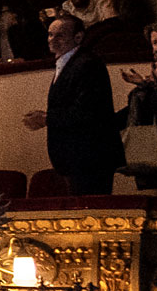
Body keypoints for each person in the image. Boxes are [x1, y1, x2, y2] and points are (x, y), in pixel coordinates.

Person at [25, 13, 122, 195]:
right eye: (50, 34)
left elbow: (88, 111)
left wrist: (46, 118)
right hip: (76, 157)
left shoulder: (87, 64)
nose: (52, 40)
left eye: (59, 35)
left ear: (78, 37)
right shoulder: (71, 63)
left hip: (89, 156)